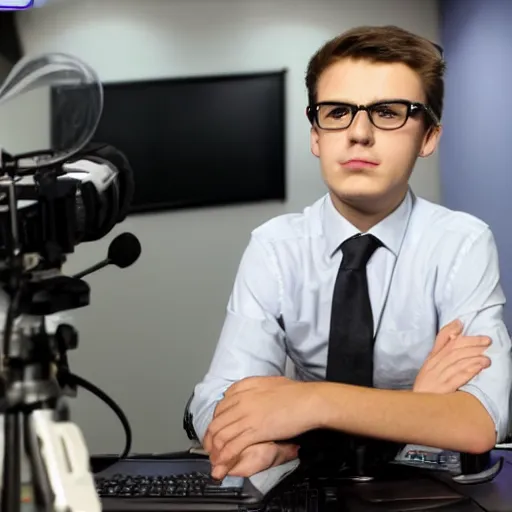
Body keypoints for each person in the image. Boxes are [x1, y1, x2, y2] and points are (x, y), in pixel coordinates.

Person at [189, 25, 512, 480]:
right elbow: (218, 398)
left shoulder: (461, 243)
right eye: (338, 112)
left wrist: (310, 402)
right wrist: (419, 410)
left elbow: (477, 423)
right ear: (316, 135)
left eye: (388, 112)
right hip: (307, 489)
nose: (359, 133)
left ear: (428, 138)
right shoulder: (275, 248)